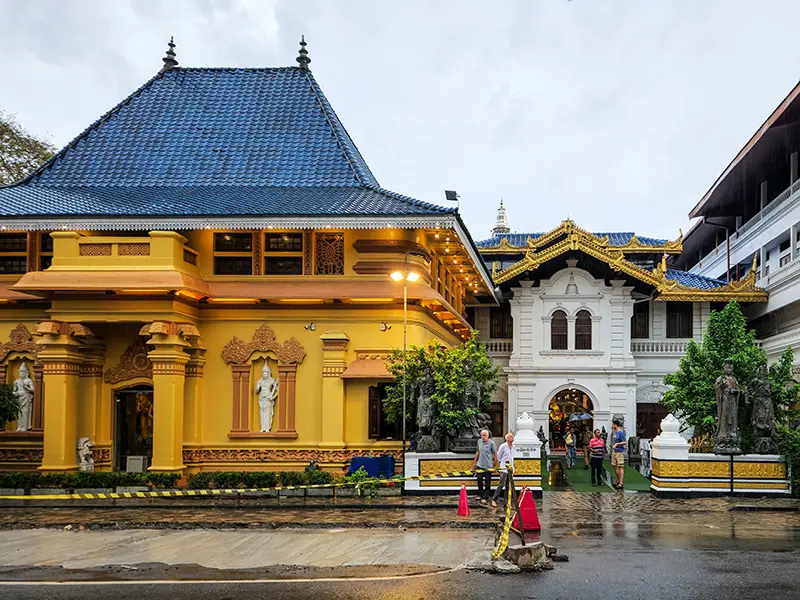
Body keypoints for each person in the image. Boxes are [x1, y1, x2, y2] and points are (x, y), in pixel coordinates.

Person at [492, 432, 517, 508]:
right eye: (510, 436)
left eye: (512, 436)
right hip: (504, 469)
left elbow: (512, 458)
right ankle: (494, 499)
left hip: (510, 468)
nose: (512, 437)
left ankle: (506, 502)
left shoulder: (513, 446)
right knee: (501, 484)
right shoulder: (503, 446)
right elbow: (499, 457)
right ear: (507, 438)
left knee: (508, 486)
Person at [472, 429, 497, 505]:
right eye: (482, 435)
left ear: (488, 436)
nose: (483, 437)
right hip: (480, 465)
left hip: (488, 466)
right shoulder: (479, 442)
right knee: (479, 479)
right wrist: (475, 461)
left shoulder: (491, 443)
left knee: (487, 482)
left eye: (484, 435)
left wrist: (494, 463)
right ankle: (481, 494)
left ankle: (485, 497)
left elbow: (495, 453)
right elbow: (478, 451)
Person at [611, 420, 627, 489]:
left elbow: (625, 442)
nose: (612, 426)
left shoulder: (620, 432)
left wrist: (617, 444)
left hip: (619, 451)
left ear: (615, 425)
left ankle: (621, 482)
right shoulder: (614, 432)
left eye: (613, 424)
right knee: (614, 465)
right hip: (614, 451)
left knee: (620, 466)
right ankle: (618, 479)